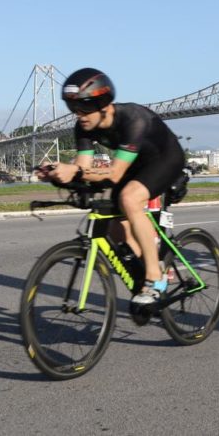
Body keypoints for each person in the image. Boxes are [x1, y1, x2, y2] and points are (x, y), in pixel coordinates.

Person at [38, 68, 185, 305]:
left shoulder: (133, 119)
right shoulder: (83, 126)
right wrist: (58, 173)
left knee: (129, 198)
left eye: (85, 107)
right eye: (73, 108)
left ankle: (155, 278)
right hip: (134, 165)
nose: (79, 114)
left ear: (103, 104)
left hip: (165, 159)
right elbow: (84, 167)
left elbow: (114, 174)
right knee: (112, 220)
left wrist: (74, 170)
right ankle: (147, 265)